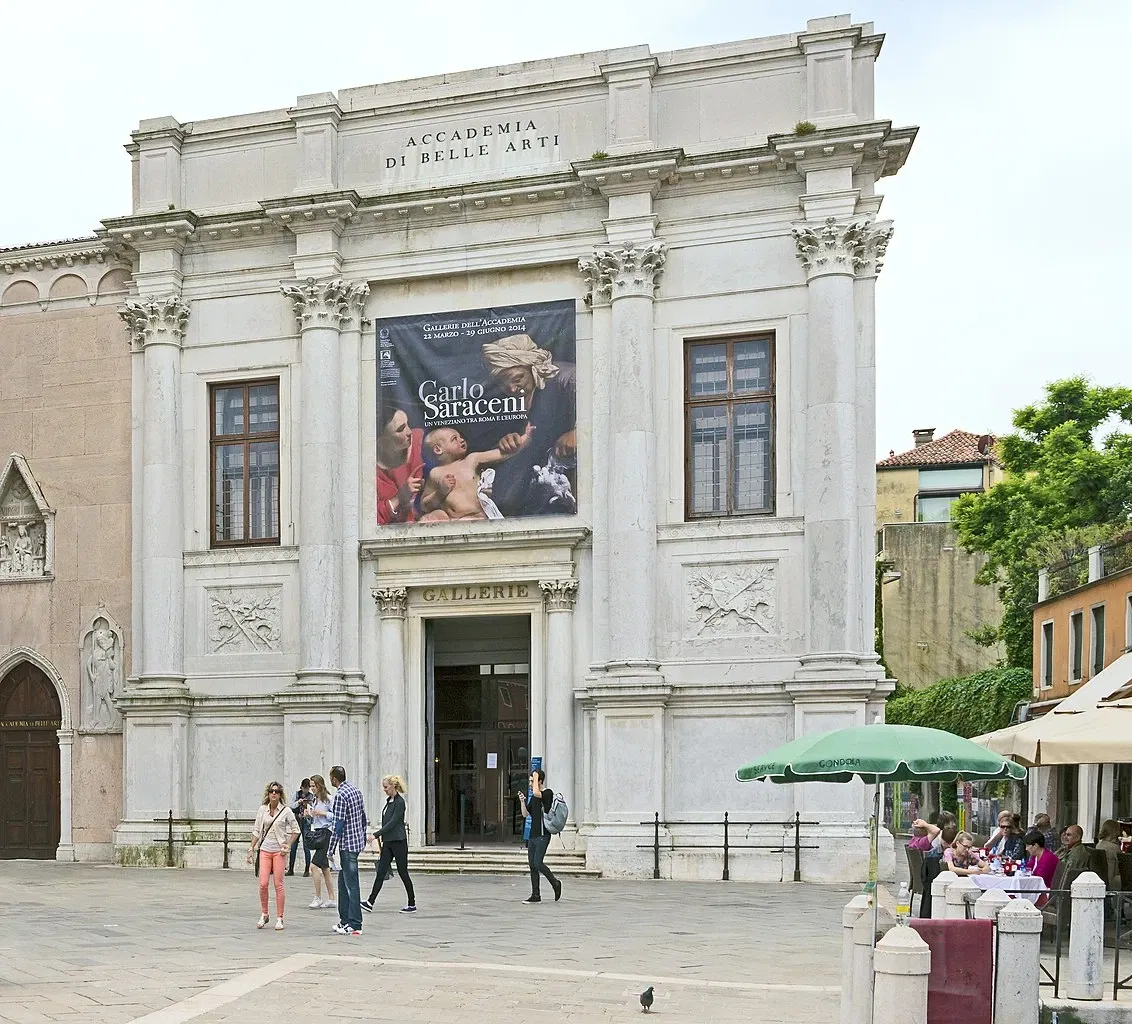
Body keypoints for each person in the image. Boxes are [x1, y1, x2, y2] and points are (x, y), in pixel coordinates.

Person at [418, 424, 534, 521]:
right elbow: (425, 505)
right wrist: (439, 493)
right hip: (457, 520)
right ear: (438, 449)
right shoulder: (435, 473)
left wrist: (526, 438)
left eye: (460, 437)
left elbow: (501, 454)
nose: (461, 439)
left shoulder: (471, 459)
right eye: (454, 439)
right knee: (433, 517)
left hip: (480, 516)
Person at [247, 781, 300, 930]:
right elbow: (257, 830)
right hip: (265, 849)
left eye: (277, 791)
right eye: (271, 791)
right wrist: (251, 847)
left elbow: (296, 830)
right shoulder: (262, 810)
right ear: (268, 794)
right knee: (263, 883)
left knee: (278, 884)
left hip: (279, 851)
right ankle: (264, 913)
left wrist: (288, 844)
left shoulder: (286, 811)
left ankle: (280, 917)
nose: (274, 793)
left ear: (280, 794)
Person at [361, 775, 417, 914]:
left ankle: (412, 903)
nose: (384, 789)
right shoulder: (389, 802)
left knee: (403, 872)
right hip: (388, 842)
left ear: (393, 786)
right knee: (381, 871)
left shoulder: (400, 802)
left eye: (386, 787)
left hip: (398, 841)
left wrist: (376, 834)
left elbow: (392, 823)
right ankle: (370, 902)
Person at [328, 765, 367, 936]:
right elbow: (363, 817)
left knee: (351, 885)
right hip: (356, 842)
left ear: (334, 778)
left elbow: (338, 824)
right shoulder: (356, 791)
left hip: (347, 844)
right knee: (343, 883)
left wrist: (330, 849)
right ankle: (344, 920)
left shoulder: (340, 795)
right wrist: (362, 837)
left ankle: (355, 923)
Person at [517, 768, 561, 904]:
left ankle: (555, 883)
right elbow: (525, 814)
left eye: (532, 781)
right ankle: (536, 895)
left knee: (538, 863)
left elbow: (537, 792)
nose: (530, 784)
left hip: (543, 835)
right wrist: (522, 801)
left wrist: (536, 775)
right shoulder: (534, 797)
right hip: (533, 835)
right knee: (532, 865)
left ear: (540, 780)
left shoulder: (547, 793)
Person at [376, 406, 425, 524]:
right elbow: (369, 519)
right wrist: (398, 499)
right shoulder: (369, 470)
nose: (409, 432)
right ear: (381, 440)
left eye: (408, 425)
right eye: (400, 429)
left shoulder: (421, 441)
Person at [305, 774, 336, 910]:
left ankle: (318, 897)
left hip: (326, 833)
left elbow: (336, 815)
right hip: (318, 832)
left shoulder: (328, 799)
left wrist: (322, 814)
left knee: (313, 866)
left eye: (314, 786)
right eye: (311, 786)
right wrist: (309, 815)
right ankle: (331, 898)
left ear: (320, 785)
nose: (312, 789)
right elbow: (315, 818)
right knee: (325, 868)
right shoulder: (315, 800)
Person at [1023, 829, 1059, 908]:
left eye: (1028, 846)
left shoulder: (1047, 858)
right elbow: (1027, 869)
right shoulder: (1035, 856)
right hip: (1037, 889)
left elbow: (1041, 879)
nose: (1026, 849)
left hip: (1046, 892)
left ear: (1035, 846)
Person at [288, 778, 313, 876]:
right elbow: (291, 806)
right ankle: (291, 869)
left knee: (306, 846)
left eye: (307, 788)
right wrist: (298, 802)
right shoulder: (296, 794)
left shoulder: (311, 796)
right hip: (297, 821)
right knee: (293, 845)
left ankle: (307, 870)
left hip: (306, 822)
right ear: (301, 787)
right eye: (304, 788)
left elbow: (313, 810)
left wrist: (308, 805)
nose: (306, 790)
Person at [1097, 818, 1122, 887]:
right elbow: (1122, 865)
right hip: (1112, 879)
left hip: (1102, 879)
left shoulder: (1099, 844)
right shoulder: (1114, 847)